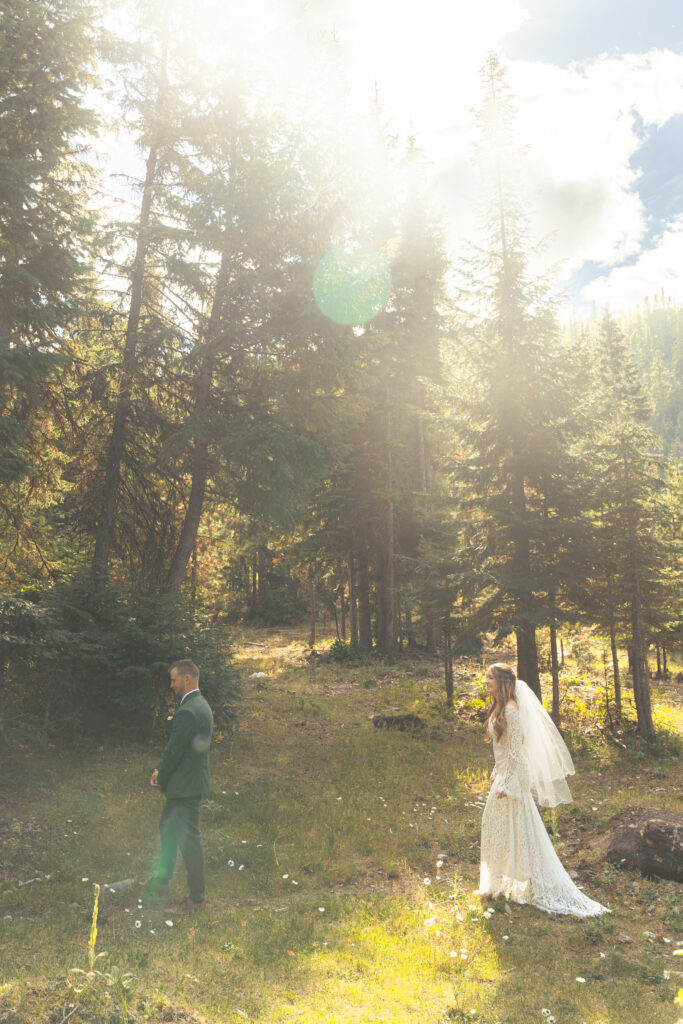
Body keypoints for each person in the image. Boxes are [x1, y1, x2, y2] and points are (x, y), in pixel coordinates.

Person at [477, 662, 609, 917]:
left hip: (514, 774)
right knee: (498, 823)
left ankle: (530, 880)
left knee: (518, 825)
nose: (486, 682)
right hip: (505, 770)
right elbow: (502, 749)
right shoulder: (499, 707)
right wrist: (496, 773)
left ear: (502, 682)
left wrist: (507, 780)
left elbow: (516, 749)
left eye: (490, 678)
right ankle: (497, 883)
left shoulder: (512, 710)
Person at [146, 659, 213, 913]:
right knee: (168, 829)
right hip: (187, 783)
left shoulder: (188, 711)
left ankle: (197, 900)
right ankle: (161, 881)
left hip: (185, 786)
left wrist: (161, 774)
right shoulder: (201, 705)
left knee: (190, 842)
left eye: (173, 680)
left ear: (187, 679)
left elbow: (175, 750)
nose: (171, 685)